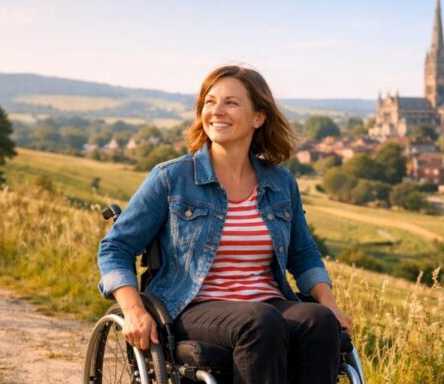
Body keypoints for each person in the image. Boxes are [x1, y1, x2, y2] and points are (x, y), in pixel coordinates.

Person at [97, 64, 352, 384]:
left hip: (268, 303)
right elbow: (116, 247)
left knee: (318, 321)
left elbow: (303, 253)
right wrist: (133, 309)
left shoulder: (281, 183)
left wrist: (330, 305)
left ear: (259, 117)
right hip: (193, 306)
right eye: (209, 101)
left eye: (231, 103)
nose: (216, 111)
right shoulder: (172, 178)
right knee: (260, 321)